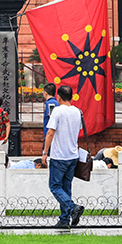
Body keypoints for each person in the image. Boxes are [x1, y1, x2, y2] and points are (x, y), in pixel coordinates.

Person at [41, 85, 84, 229]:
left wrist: (45, 152)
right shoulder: (78, 112)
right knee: (66, 188)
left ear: (58, 97)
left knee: (54, 186)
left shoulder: (58, 111)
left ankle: (72, 208)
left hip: (59, 156)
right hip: (73, 155)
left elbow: (50, 133)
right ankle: (64, 220)